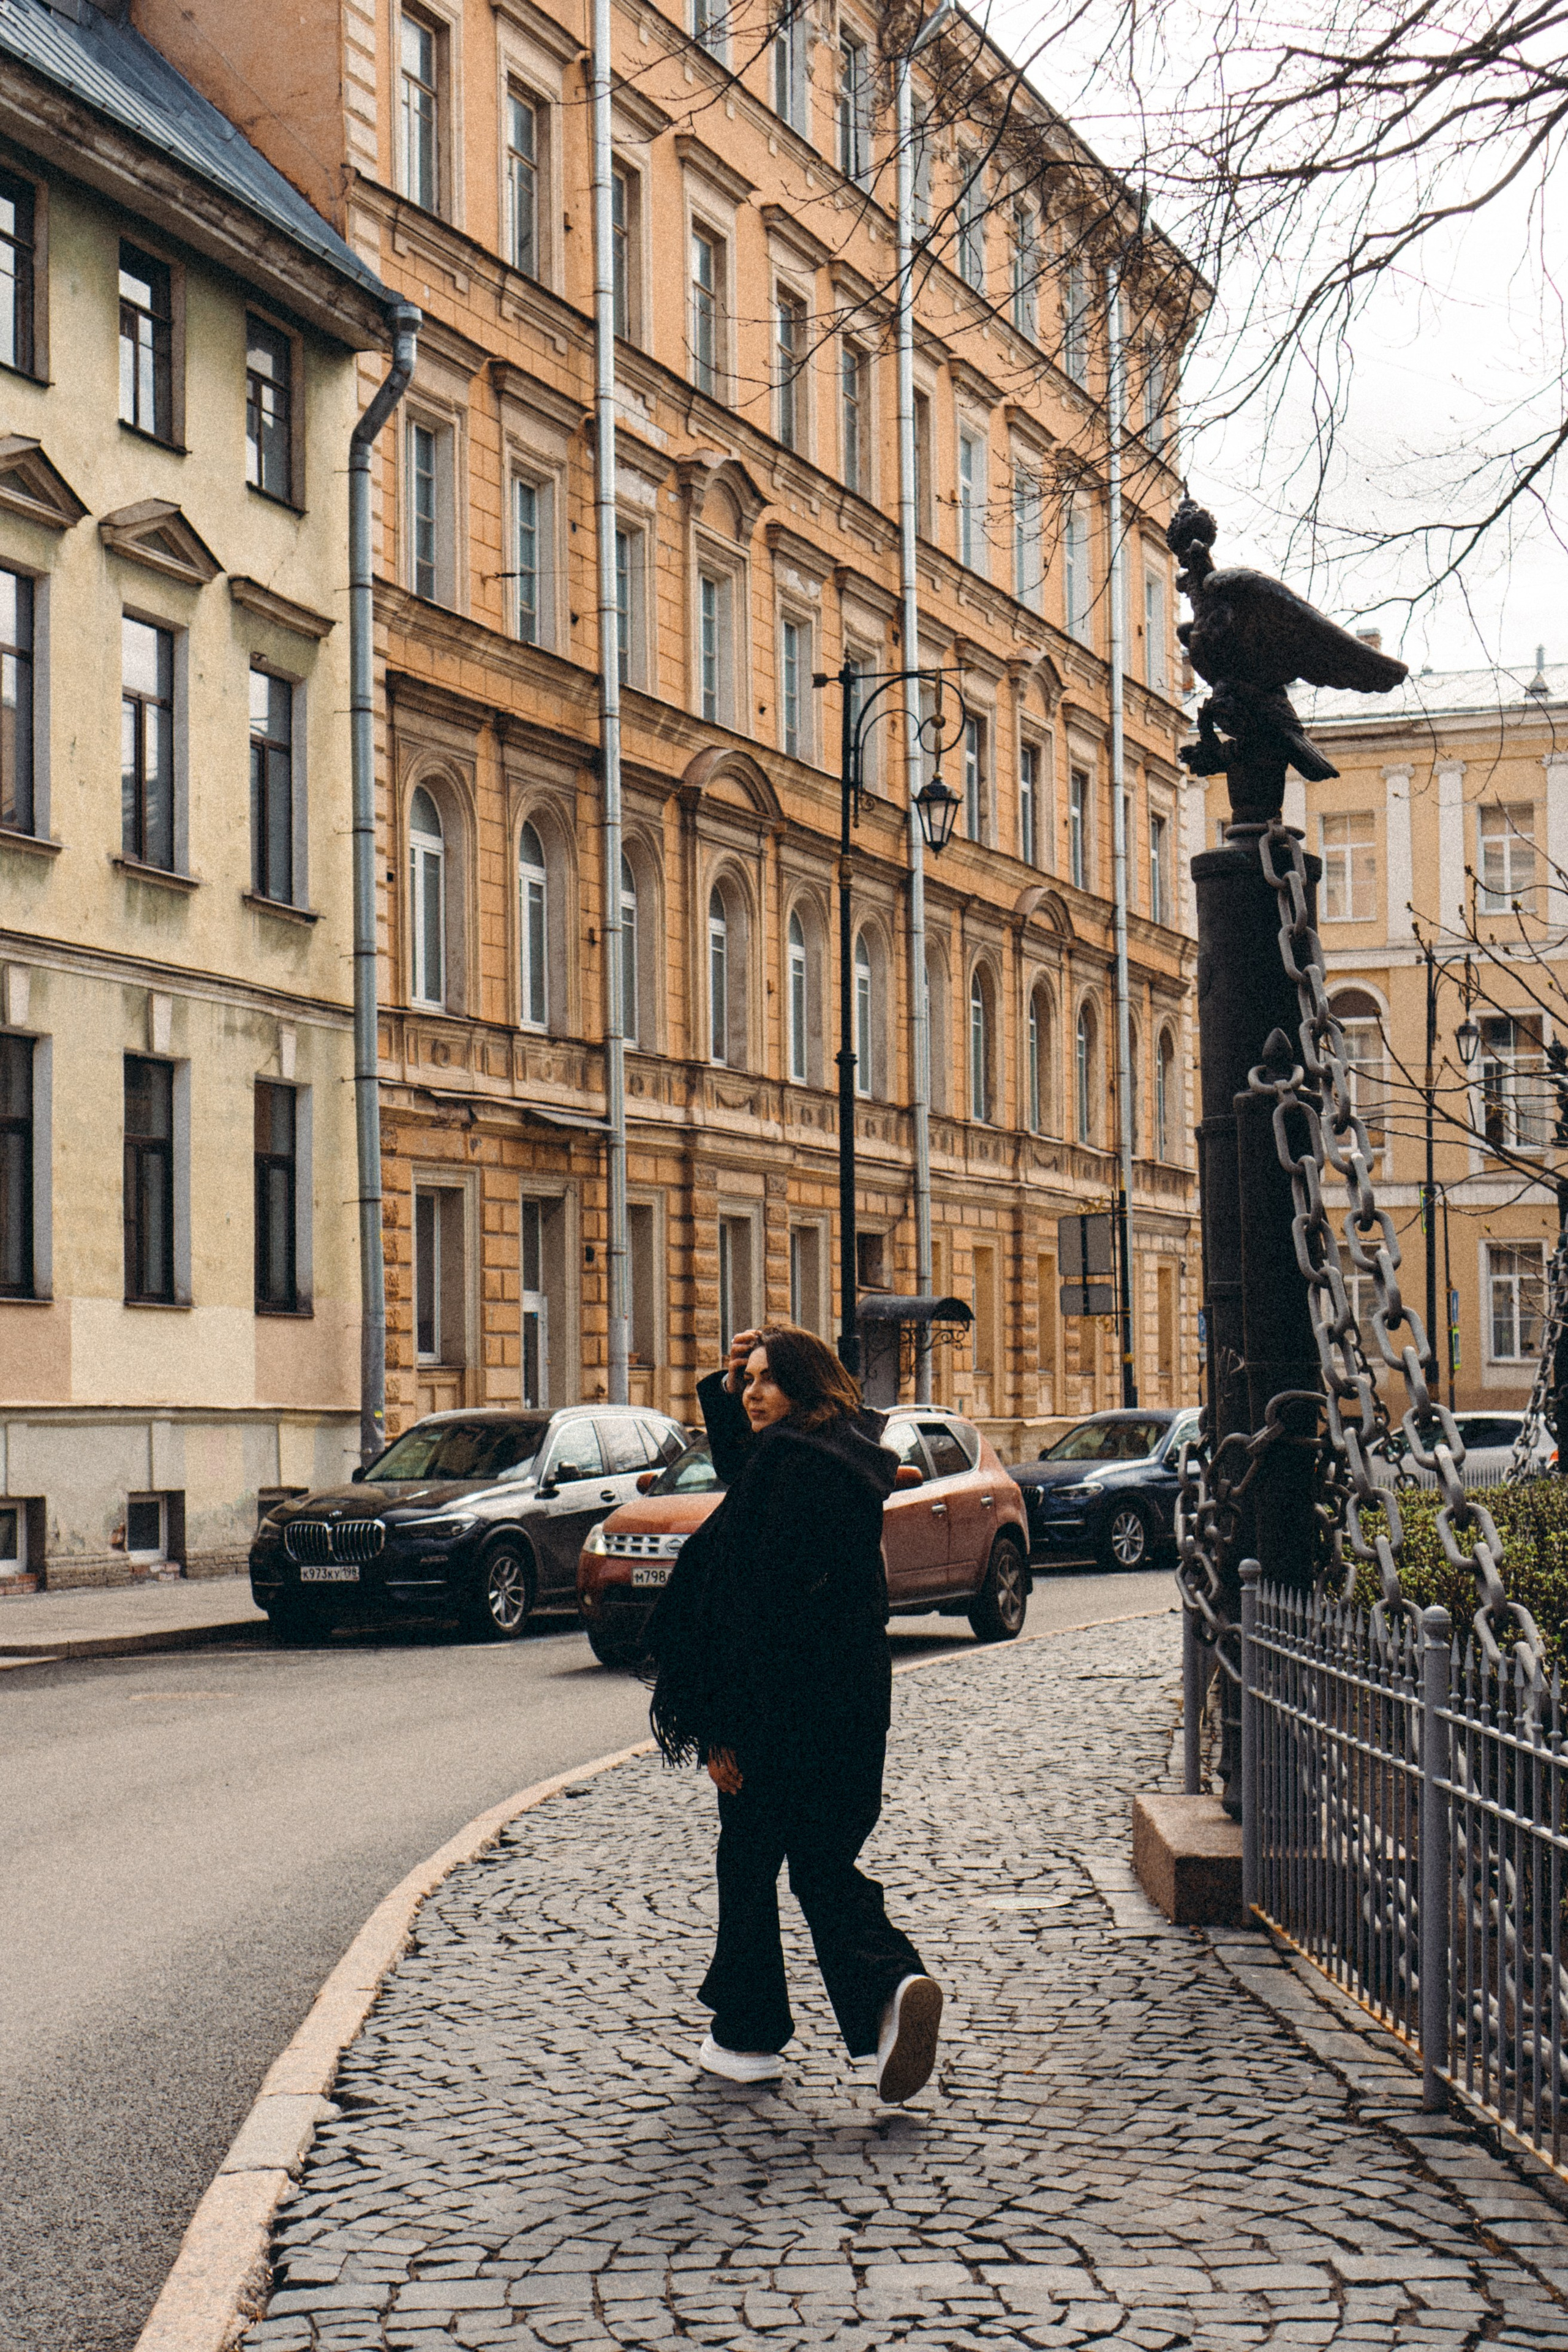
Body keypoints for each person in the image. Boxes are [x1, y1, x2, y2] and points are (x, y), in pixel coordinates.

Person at [643, 1321, 943, 2102]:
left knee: (746, 1864)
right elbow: (755, 1473)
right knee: (820, 1863)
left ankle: (748, 2036)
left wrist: (722, 1726)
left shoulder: (787, 1465)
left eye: (766, 1380)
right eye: (747, 1382)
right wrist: (728, 1378)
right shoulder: (845, 1459)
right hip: (852, 1712)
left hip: (775, 1711)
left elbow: (753, 1607)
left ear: (805, 1388)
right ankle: (891, 1995)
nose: (752, 1394)